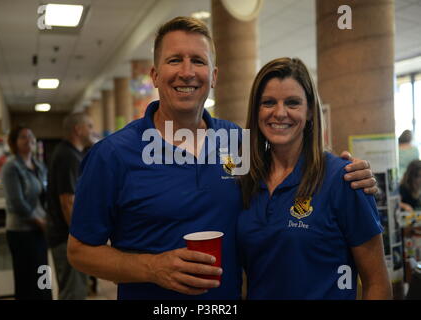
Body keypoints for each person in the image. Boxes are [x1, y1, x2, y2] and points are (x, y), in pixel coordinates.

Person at [67, 16, 377, 300]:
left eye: (198, 61)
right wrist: (151, 267)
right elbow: (79, 252)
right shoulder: (112, 154)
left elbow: (292, 157)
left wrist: (348, 171)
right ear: (155, 75)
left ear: (213, 76)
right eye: (175, 60)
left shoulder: (238, 143)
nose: (186, 72)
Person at [237, 57, 392, 299]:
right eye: (268, 102)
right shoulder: (245, 180)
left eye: (292, 103)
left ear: (309, 111)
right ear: (256, 111)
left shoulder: (344, 179)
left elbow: (377, 284)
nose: (279, 113)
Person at [46, 112, 94, 300]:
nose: (93, 131)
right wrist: (80, 238)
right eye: (89, 126)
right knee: (73, 293)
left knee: (76, 290)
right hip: (66, 238)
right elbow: (67, 202)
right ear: (78, 129)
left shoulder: (72, 154)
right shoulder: (67, 156)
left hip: (65, 236)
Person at [1, 126, 52, 300]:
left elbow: (45, 196)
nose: (29, 140)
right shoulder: (11, 167)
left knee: (43, 273)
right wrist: (39, 221)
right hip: (21, 231)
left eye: (31, 136)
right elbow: (16, 202)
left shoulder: (39, 165)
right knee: (27, 279)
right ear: (14, 142)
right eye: (23, 137)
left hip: (40, 228)